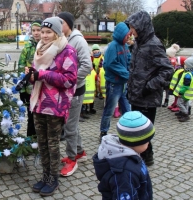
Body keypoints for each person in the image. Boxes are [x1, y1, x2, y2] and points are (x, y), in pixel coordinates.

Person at [28, 17, 78, 196]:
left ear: (57, 33)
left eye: (49, 32)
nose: (44, 35)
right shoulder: (39, 50)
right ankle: (45, 175)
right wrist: (32, 75)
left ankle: (53, 178)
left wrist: (42, 74)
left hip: (56, 105)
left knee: (52, 143)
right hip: (39, 102)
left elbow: (69, 80)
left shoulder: (67, 51)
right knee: (42, 143)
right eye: (42, 31)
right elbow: (39, 74)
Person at [125, 11, 174, 166]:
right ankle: (145, 155)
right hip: (137, 95)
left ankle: (145, 158)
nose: (131, 32)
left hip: (147, 98)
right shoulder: (139, 42)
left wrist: (149, 87)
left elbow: (167, 71)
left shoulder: (154, 44)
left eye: (133, 28)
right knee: (137, 129)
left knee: (143, 130)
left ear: (142, 26)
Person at [57, 11, 92, 177]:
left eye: (61, 22)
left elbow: (87, 66)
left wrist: (69, 80)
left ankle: (72, 159)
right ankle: (79, 152)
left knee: (69, 126)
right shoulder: (63, 39)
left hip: (76, 90)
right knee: (71, 124)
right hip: (66, 90)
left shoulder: (78, 41)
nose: (58, 25)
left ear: (68, 24)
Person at [93, 111, 154, 200]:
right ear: (136, 142)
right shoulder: (124, 173)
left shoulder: (132, 155)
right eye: (147, 141)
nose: (148, 144)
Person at [99, 22, 131, 142]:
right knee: (109, 109)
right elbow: (111, 64)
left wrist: (130, 69)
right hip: (114, 84)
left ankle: (129, 130)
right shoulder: (113, 47)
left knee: (127, 109)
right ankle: (103, 131)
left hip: (123, 83)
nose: (129, 37)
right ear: (122, 34)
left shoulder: (124, 46)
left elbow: (128, 59)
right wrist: (127, 74)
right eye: (127, 35)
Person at [17, 19, 42, 137]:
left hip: (42, 87)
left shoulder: (47, 46)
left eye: (39, 30)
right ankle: (30, 139)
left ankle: (41, 140)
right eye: (34, 30)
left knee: (41, 116)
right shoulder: (27, 47)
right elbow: (20, 66)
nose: (36, 33)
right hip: (29, 89)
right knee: (31, 115)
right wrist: (22, 89)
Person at [173, 54, 193, 122]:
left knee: (179, 103)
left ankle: (185, 114)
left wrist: (180, 92)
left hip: (185, 93)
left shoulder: (188, 75)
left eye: (185, 64)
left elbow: (185, 86)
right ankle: (183, 113)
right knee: (185, 103)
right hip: (189, 93)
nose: (184, 65)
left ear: (189, 66)